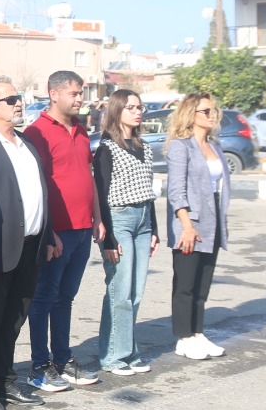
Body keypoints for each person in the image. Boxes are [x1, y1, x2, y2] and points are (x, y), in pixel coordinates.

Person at [0, 76, 56, 410]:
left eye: (18, 98)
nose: (18, 103)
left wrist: (48, 235)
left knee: (15, 318)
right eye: (10, 99)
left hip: (30, 245)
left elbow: (39, 191)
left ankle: (6, 380)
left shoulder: (24, 141)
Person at [22, 70, 104, 392]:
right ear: (53, 94)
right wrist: (48, 231)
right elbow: (35, 186)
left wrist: (97, 218)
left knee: (65, 298)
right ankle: (39, 364)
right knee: (44, 297)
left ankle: (62, 358)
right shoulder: (37, 132)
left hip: (82, 230)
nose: (80, 98)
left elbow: (88, 175)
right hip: (57, 233)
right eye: (74, 93)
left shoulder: (81, 131)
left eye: (81, 92)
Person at [92, 89, 159, 377]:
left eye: (139, 107)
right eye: (130, 107)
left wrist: (154, 229)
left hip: (143, 220)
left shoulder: (145, 147)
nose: (137, 112)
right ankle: (112, 356)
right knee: (120, 291)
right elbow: (101, 193)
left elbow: (148, 190)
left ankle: (129, 352)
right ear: (117, 111)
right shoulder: (107, 149)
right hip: (119, 220)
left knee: (136, 292)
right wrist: (108, 238)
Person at [165, 93, 232, 361]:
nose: (212, 115)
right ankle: (184, 338)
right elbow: (176, 190)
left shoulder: (214, 146)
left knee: (203, 282)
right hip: (189, 222)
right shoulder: (181, 146)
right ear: (191, 114)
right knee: (186, 284)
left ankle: (197, 333)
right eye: (205, 111)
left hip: (212, 219)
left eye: (213, 110)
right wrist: (186, 226)